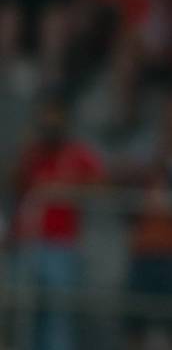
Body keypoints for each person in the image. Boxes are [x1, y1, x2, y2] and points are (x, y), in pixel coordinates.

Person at [13, 99, 104, 350]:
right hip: (28, 242)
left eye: (55, 119)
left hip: (61, 246)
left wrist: (66, 191)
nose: (50, 125)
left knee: (57, 315)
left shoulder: (77, 153)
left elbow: (100, 185)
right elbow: (14, 184)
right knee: (24, 315)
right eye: (46, 119)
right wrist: (26, 153)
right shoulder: (33, 153)